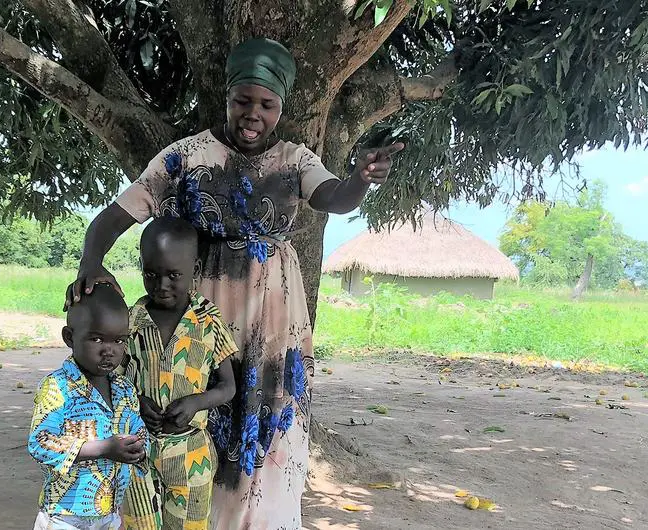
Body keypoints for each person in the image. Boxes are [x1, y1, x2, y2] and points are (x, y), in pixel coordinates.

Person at [65, 37, 403, 529]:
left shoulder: (295, 160)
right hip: (201, 307)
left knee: (266, 415)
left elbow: (334, 197)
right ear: (226, 98)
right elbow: (118, 214)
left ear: (280, 107)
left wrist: (361, 179)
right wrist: (90, 263)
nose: (253, 114)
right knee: (196, 410)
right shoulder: (186, 155)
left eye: (266, 105)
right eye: (242, 101)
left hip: (275, 311)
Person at [119, 217, 238, 530]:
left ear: (195, 271)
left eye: (173, 275)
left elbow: (228, 388)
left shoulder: (209, 321)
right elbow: (112, 380)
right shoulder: (131, 321)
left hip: (190, 455)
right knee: (138, 525)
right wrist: (136, 400)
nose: (161, 285)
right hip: (137, 451)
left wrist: (196, 403)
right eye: (151, 274)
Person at [27, 285, 150, 530]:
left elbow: (139, 428)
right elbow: (40, 443)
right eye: (96, 339)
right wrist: (102, 448)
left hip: (110, 511)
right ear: (69, 337)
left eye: (118, 340)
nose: (109, 350)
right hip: (65, 515)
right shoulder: (58, 387)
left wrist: (139, 448)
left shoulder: (124, 388)